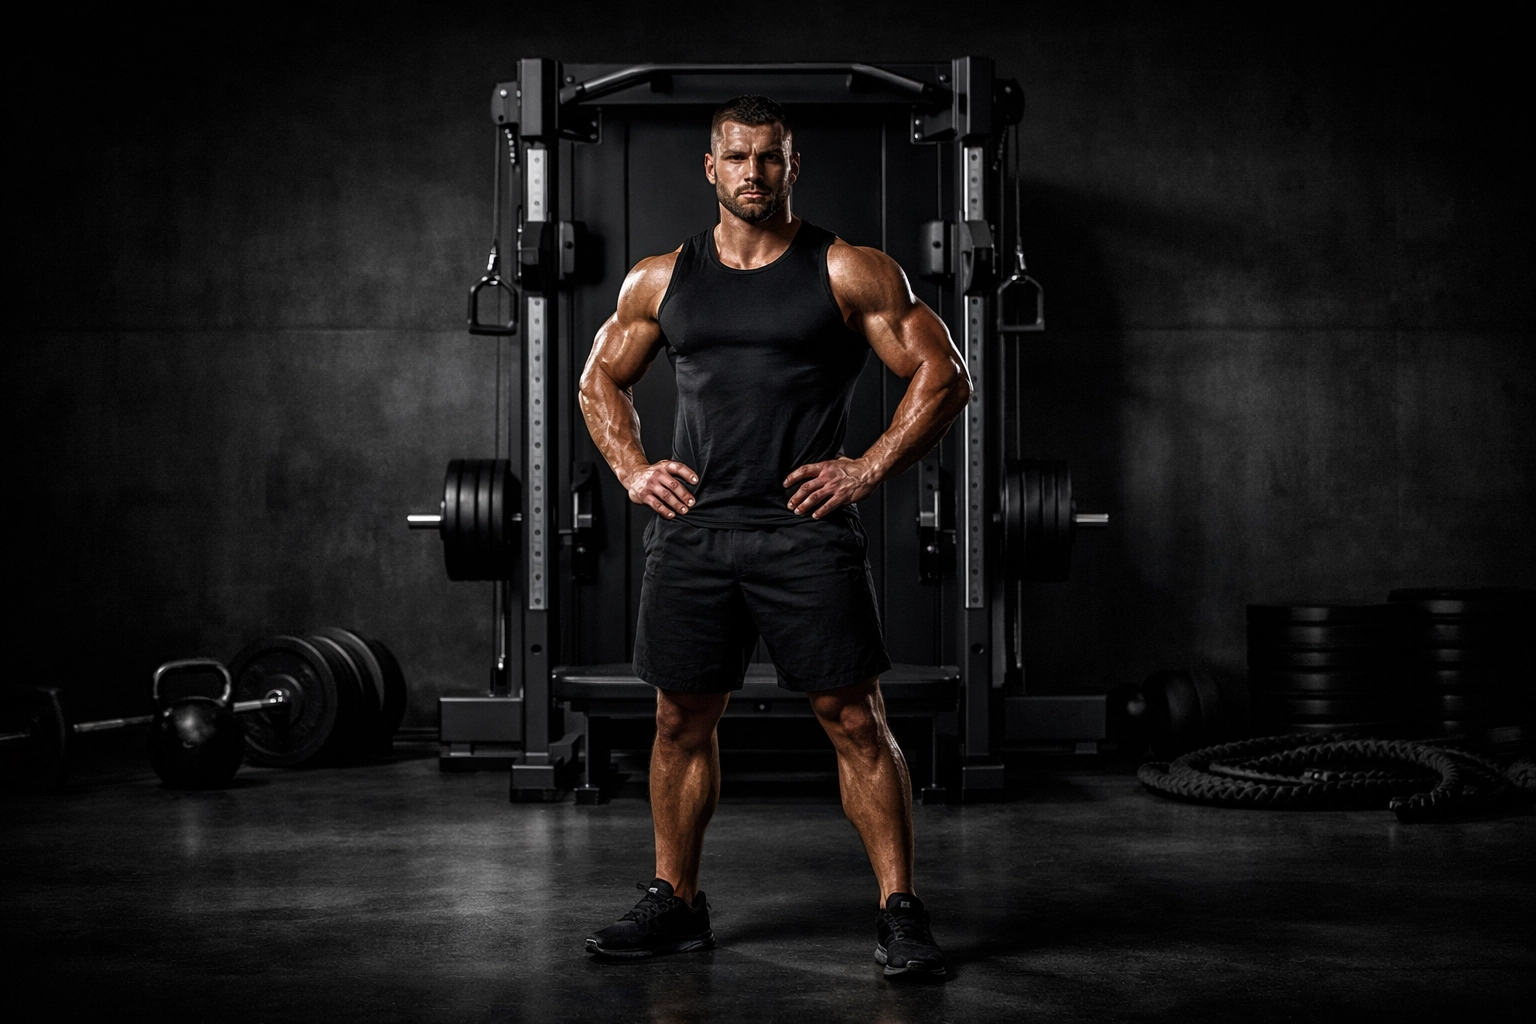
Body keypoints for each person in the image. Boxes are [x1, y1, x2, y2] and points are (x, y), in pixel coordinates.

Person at [576, 94, 970, 978]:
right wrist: (636, 470)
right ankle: (674, 903)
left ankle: (900, 912)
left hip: (803, 532)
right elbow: (599, 381)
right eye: (737, 157)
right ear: (710, 169)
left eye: (770, 157)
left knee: (855, 719)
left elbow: (943, 374)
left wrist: (864, 469)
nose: (753, 172)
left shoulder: (848, 271)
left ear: (794, 166)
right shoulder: (658, 279)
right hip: (697, 531)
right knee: (679, 717)